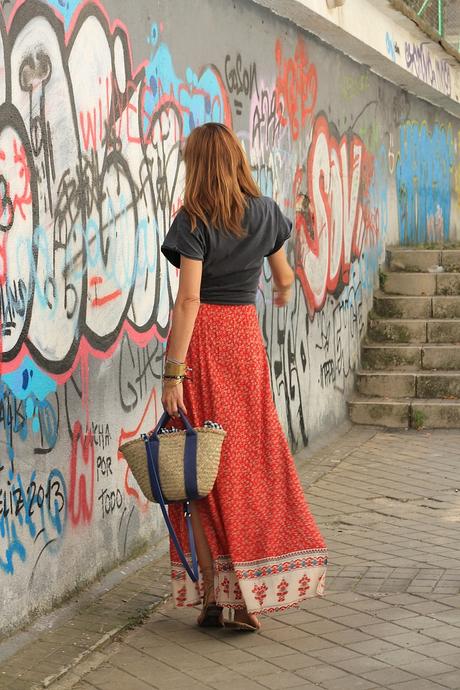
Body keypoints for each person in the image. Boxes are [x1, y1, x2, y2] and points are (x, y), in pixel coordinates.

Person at [160, 122, 327, 632]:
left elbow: (188, 300)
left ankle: (216, 595)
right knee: (248, 465)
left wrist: (173, 372)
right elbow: (283, 278)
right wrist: (277, 293)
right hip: (245, 342)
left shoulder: (195, 220)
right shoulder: (266, 213)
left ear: (197, 166)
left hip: (205, 343)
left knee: (200, 469)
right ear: (234, 161)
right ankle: (249, 593)